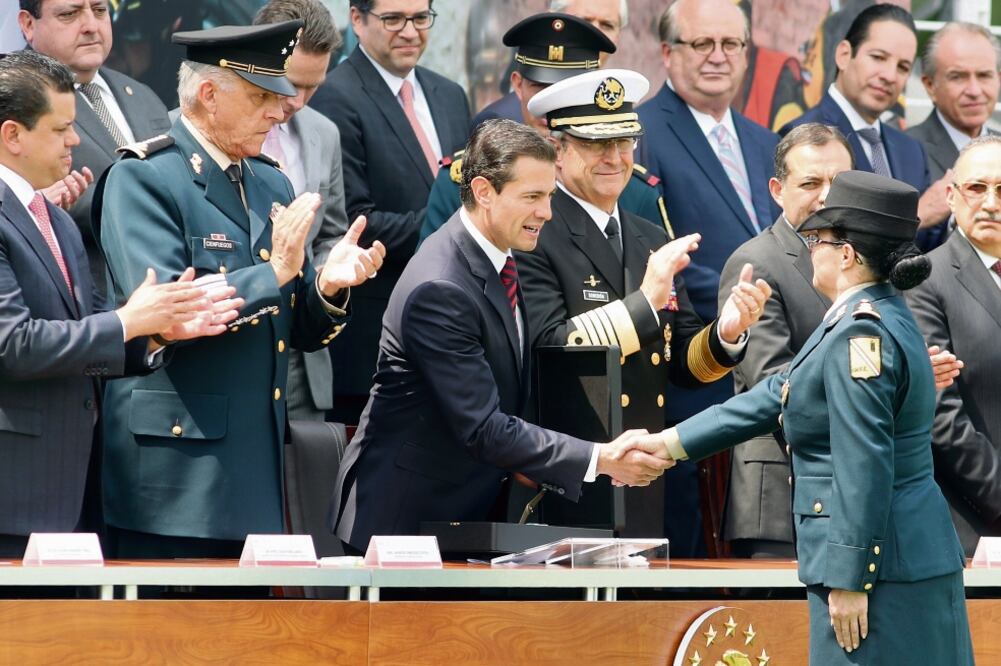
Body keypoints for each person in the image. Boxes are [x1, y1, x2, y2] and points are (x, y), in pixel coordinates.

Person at [629, 171, 973, 664]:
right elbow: (779, 392)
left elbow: (863, 461)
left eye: (816, 239)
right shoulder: (865, 317)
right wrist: (671, 444)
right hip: (897, 557)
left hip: (879, 571)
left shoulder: (859, 334)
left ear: (848, 254)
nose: (810, 248)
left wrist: (851, 577)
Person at [97, 20, 386, 559]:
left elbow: (293, 326)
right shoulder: (145, 177)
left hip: (255, 469)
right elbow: (166, 314)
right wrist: (274, 270)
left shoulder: (269, 179)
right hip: (176, 473)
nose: (278, 112)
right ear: (208, 95)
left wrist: (327, 283)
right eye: (260, 98)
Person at [330, 119, 673, 553]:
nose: (546, 212)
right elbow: (483, 427)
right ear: (484, 191)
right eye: (531, 197)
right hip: (403, 523)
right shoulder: (442, 286)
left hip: (464, 515)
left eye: (549, 196)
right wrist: (599, 458)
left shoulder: (500, 259)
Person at [0, 50, 238, 558]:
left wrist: (156, 332)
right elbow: (13, 344)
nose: (76, 140)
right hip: (14, 493)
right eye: (61, 128)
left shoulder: (58, 219)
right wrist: (127, 320)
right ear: (12, 135)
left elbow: (86, 334)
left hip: (76, 493)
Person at [518, 68, 771, 537]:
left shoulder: (648, 235)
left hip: (644, 472)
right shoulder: (536, 231)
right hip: (567, 471)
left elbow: (680, 364)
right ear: (558, 148)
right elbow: (548, 348)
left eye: (625, 142)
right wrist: (644, 304)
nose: (615, 158)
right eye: (597, 144)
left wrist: (727, 334)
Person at [636, 0, 780, 555]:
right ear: (668, 53)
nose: (719, 57)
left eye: (732, 44)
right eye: (703, 44)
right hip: (697, 375)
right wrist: (728, 324)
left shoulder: (765, 142)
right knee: (697, 547)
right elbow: (659, 259)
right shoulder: (643, 134)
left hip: (770, 367)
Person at [309, 0, 470, 424]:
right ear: (357, 20)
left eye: (420, 18)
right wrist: (459, 225)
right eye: (394, 19)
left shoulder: (450, 95)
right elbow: (355, 223)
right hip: (374, 344)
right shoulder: (334, 96)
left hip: (452, 335)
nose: (411, 32)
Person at [717, 123, 853, 559]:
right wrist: (871, 389)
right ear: (777, 190)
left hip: (853, 496)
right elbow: (773, 383)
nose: (827, 196)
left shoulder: (863, 259)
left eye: (839, 182)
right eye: (810, 183)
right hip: (781, 501)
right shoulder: (756, 261)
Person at [421, 13, 669, 243]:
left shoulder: (624, 184)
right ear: (517, 85)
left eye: (568, 91)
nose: (552, 107)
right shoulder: (464, 179)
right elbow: (435, 277)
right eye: (540, 88)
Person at [18, 0, 172, 302]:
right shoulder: (9, 97)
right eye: (69, 14)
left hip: (166, 303)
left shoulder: (142, 96)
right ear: (27, 24)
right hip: (72, 313)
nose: (91, 25)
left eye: (100, 10)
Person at [779, 4, 949, 249]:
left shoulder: (911, 151)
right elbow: (807, 238)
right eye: (878, 58)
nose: (890, 75)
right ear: (844, 55)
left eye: (903, 67)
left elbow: (926, 244)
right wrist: (916, 217)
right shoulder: (799, 138)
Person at [253, 0, 349, 422]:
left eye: (314, 87)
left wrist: (332, 270)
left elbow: (330, 232)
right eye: (291, 82)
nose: (299, 100)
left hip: (305, 360)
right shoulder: (188, 129)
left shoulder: (323, 134)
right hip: (234, 346)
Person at [906, 136, 1001, 556]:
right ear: (951, 195)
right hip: (967, 525)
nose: (991, 203)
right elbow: (939, 414)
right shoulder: (926, 281)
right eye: (977, 188)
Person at [469, 0, 627, 130]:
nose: (595, 32)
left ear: (619, 35)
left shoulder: (618, 120)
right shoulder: (497, 121)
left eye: (607, 25)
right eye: (584, 21)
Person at [908, 22, 1001, 185]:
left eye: (984, 75)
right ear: (930, 85)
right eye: (957, 77)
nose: (974, 91)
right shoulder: (903, 151)